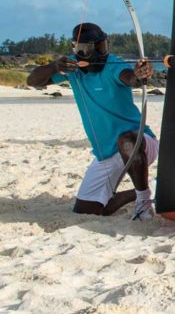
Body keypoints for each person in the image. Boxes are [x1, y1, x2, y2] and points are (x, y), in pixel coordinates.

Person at [27, 23, 157, 219]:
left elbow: (130, 78)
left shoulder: (115, 65)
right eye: (88, 49)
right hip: (106, 153)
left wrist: (139, 75)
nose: (100, 52)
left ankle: (143, 200)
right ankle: (153, 187)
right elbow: (33, 81)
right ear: (79, 50)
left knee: (126, 141)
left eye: (102, 46)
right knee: (88, 210)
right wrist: (55, 66)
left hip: (140, 144)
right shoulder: (71, 67)